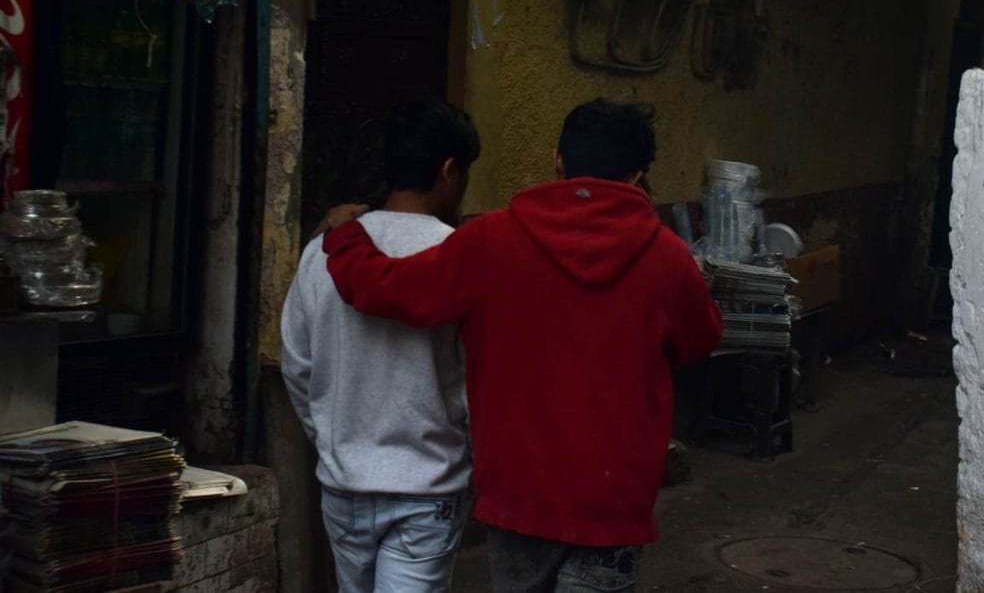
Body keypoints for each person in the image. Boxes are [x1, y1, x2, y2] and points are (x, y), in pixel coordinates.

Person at [321, 97, 723, 592]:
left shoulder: (491, 239)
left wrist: (347, 239)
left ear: (558, 159)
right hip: (612, 502)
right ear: (638, 174)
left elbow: (388, 288)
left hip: (519, 496)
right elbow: (700, 340)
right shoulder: (669, 258)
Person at [280, 99, 481, 592]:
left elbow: (297, 366)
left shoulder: (324, 252)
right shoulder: (460, 258)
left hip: (345, 483)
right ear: (449, 170)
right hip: (428, 486)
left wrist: (333, 437)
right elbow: (478, 381)